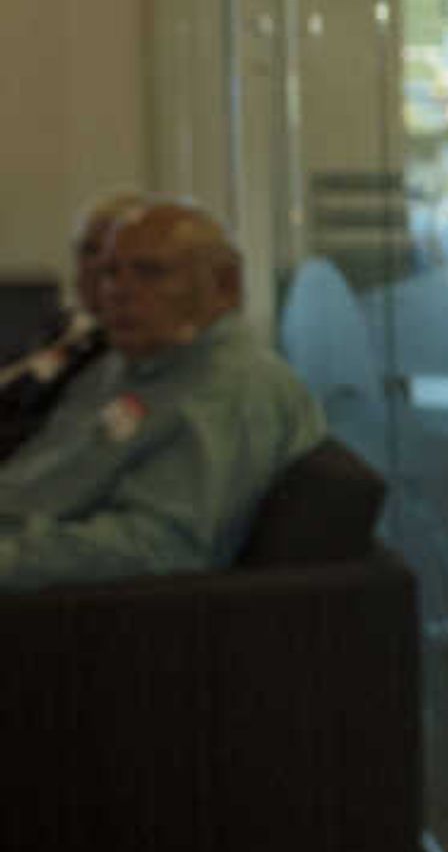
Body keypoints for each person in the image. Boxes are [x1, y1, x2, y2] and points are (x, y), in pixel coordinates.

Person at [0, 200, 323, 590]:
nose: (117, 291)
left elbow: (158, 547)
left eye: (150, 272)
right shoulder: (130, 364)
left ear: (225, 285)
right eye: (109, 273)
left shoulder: (232, 390)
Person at [0, 189, 146, 461]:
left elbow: (49, 438)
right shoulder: (65, 328)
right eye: (87, 250)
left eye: (111, 253)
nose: (95, 265)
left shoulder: (126, 349)